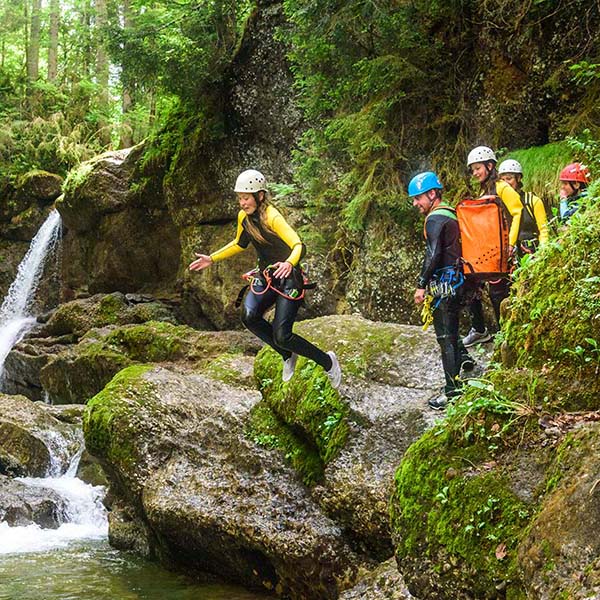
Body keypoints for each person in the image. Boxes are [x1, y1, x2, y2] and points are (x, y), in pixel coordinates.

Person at [188, 169, 342, 388]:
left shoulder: (272, 216)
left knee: (283, 335)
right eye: (240, 198)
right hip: (266, 276)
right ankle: (287, 355)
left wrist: (289, 263)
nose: (242, 202)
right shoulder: (244, 217)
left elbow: (298, 245)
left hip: (289, 278)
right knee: (249, 316)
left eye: (246, 197)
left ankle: (328, 362)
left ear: (260, 196)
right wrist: (212, 258)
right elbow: (239, 244)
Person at [410, 171, 474, 411]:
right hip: (458, 281)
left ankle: (452, 391)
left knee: (445, 337)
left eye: (418, 198)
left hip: (445, 284)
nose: (416, 204)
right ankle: (465, 359)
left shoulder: (435, 219)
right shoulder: (450, 214)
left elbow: (433, 254)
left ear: (432, 194)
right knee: (452, 331)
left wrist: (421, 284)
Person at [462, 146, 523, 348]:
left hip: (502, 250)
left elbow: (517, 212)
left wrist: (511, 244)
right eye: (473, 170)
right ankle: (480, 329)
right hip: (487, 251)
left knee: (498, 293)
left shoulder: (501, 188)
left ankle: (506, 335)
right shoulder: (484, 190)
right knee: (471, 286)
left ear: (490, 166)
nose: (475, 173)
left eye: (478, 168)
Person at [497, 158, 549, 257]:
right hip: (507, 256)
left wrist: (542, 252)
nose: (506, 183)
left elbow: (543, 230)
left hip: (531, 254)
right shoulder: (498, 204)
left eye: (509, 178)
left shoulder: (533, 201)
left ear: (519, 178)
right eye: (502, 180)